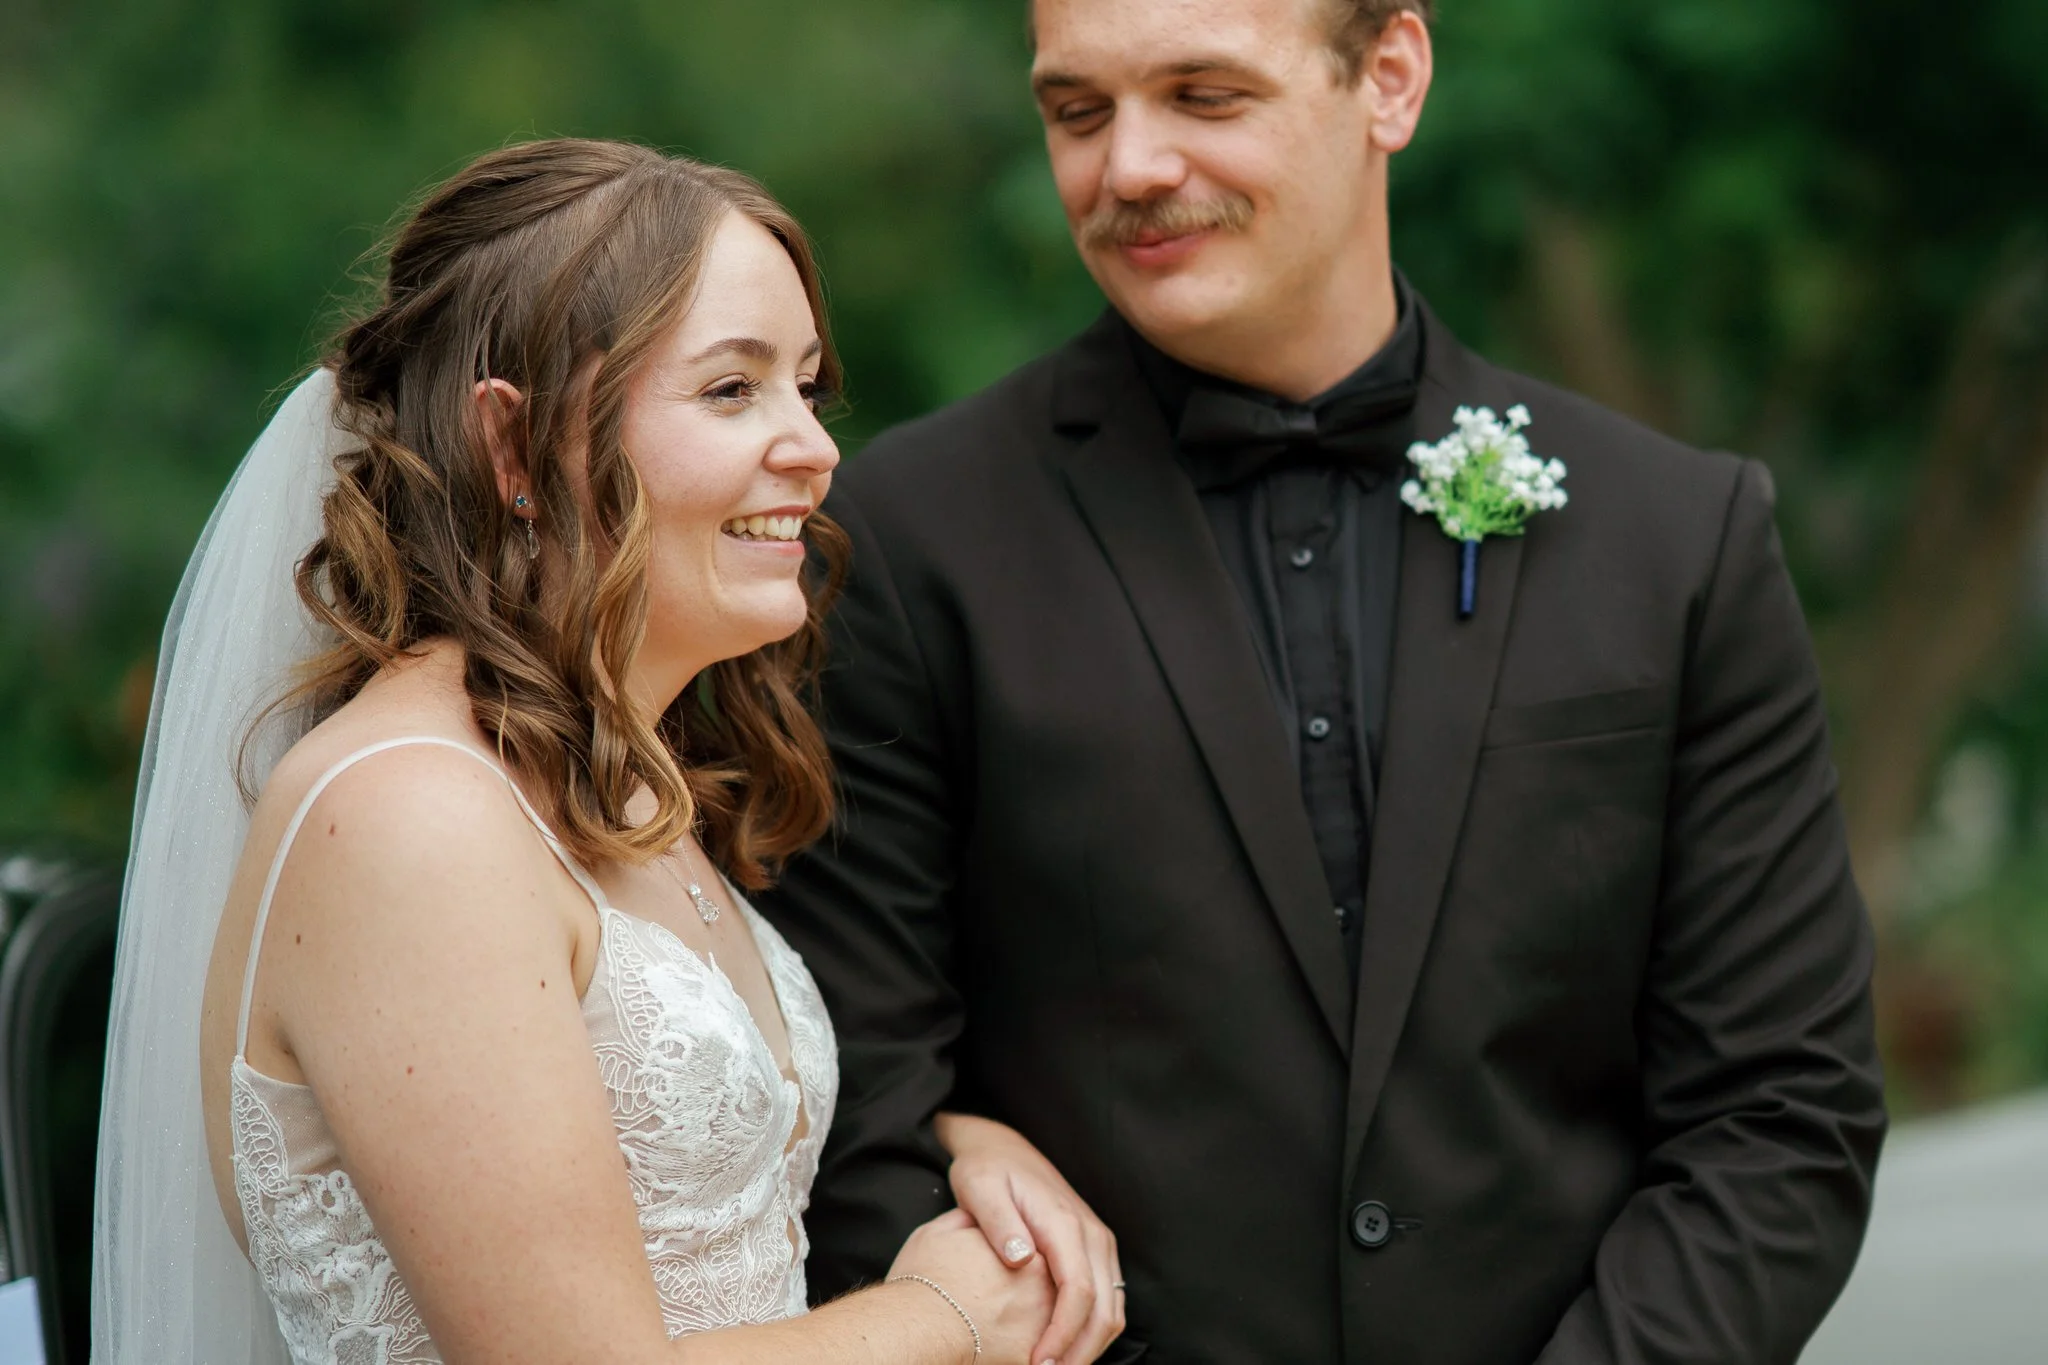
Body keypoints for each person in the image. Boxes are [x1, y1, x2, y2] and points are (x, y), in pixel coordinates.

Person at [758, 1, 1888, 1361]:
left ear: (1391, 78)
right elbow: (853, 1097)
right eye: (1078, 112)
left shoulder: (1677, 536)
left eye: (1205, 96)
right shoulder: (908, 535)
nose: (1129, 168)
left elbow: (1779, 1109)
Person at [93, 139, 1126, 1365]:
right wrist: (944, 1313)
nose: (814, 445)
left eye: (805, 385)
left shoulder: (621, 781)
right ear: (516, 448)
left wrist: (959, 1140)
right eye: (732, 391)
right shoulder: (408, 815)